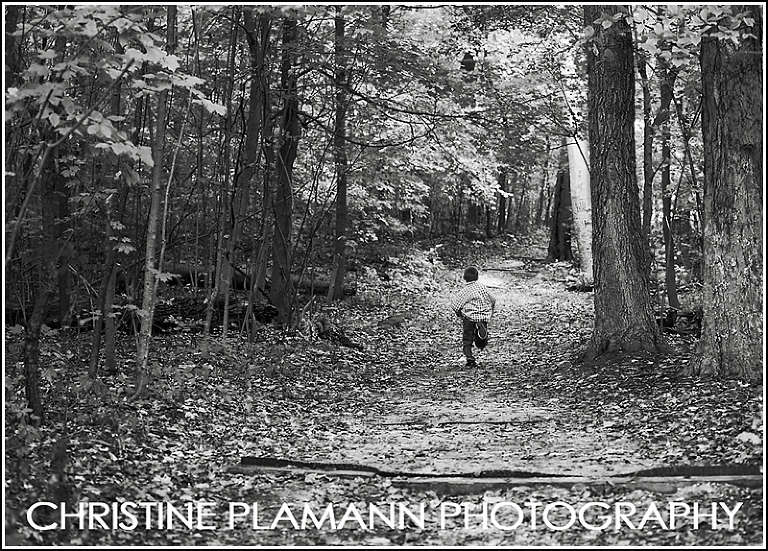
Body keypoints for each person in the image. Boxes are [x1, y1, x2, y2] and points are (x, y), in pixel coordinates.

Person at [450, 266, 496, 368]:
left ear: (464, 278)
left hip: (469, 317)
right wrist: (490, 311)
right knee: (481, 342)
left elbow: (455, 305)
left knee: (467, 338)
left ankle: (470, 358)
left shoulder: (465, 291)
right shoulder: (483, 287)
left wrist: (459, 314)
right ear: (477, 277)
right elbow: (493, 299)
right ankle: (481, 332)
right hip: (483, 315)